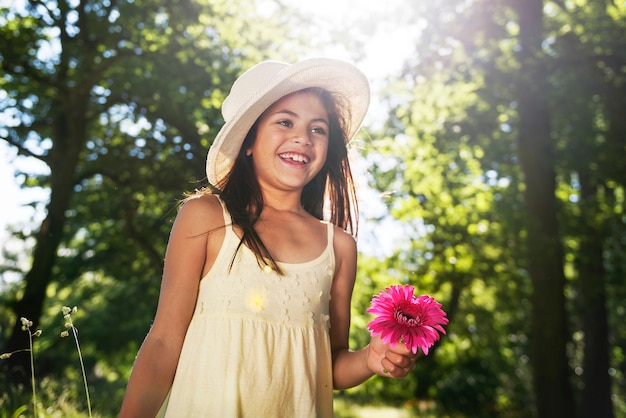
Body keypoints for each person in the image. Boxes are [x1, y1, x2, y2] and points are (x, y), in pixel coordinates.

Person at [119, 58, 418, 418]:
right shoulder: (207, 217)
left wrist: (370, 359)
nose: (302, 138)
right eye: (285, 121)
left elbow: (330, 364)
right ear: (248, 142)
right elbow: (165, 341)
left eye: (318, 129)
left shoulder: (339, 247)